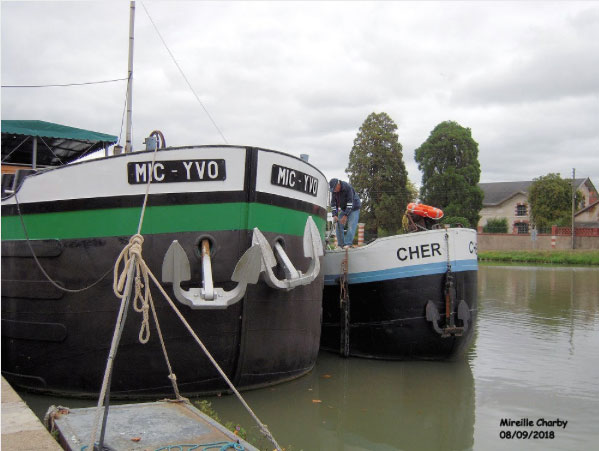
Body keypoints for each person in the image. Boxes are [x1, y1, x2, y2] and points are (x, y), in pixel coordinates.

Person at [329, 178, 361, 249]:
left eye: (334, 189)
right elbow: (333, 204)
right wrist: (334, 215)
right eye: (333, 190)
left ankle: (348, 244)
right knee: (338, 224)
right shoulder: (334, 191)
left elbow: (350, 203)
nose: (334, 191)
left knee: (351, 225)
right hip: (344, 209)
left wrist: (346, 215)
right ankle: (341, 245)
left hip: (354, 207)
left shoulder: (348, 187)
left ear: (338, 184)